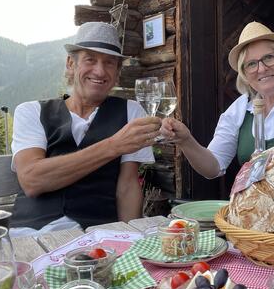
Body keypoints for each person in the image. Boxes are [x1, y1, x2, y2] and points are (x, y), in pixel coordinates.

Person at [9, 22, 161, 235]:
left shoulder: (131, 111)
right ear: (71, 64)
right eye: (90, 59)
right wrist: (113, 146)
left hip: (99, 233)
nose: (100, 71)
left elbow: (127, 187)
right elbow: (32, 180)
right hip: (33, 234)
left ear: (117, 72)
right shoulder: (31, 112)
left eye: (109, 63)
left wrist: (131, 238)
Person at [161, 21, 274, 191]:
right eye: (251, 64)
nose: (262, 68)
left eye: (269, 57)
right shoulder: (240, 109)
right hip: (260, 215)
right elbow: (213, 167)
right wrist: (185, 140)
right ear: (244, 74)